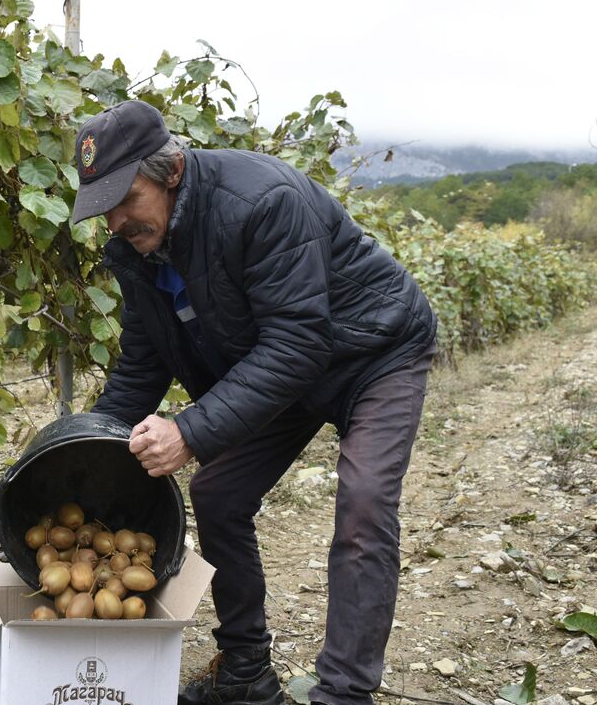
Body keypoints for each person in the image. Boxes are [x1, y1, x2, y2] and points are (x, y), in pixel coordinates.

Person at [71, 100, 436, 705]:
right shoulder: (139, 251)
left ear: (170, 171)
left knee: (365, 504)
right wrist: (85, 454)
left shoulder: (259, 201)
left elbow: (296, 343)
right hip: (285, 363)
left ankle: (344, 693)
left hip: (374, 351)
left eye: (125, 198)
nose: (115, 221)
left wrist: (188, 431)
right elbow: (142, 365)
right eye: (103, 208)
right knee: (218, 494)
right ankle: (246, 671)